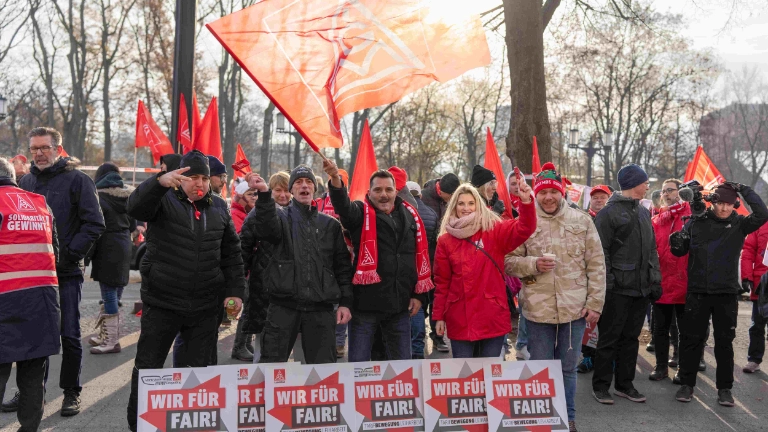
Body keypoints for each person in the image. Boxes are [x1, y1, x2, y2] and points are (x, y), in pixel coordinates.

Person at [125, 150, 245, 431]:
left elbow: (231, 254)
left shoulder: (218, 206)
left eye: (204, 177)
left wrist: (235, 292)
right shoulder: (162, 199)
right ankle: (138, 425)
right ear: (179, 177)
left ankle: (190, 425)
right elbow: (135, 208)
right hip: (162, 303)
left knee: (197, 376)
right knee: (148, 370)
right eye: (192, 177)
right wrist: (158, 183)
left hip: (205, 307)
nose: (199, 183)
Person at [505, 162, 605, 432]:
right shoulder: (525, 222)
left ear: (562, 192)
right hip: (538, 311)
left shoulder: (582, 220)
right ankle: (542, 421)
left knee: (568, 369)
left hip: (575, 311)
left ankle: (568, 419)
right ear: (535, 195)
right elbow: (509, 262)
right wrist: (533, 264)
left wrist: (595, 304)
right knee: (540, 369)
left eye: (553, 191)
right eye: (542, 192)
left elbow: (596, 265)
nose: (548, 197)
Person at [17, 127, 105, 417]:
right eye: (34, 148)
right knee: (31, 336)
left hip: (65, 273)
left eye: (44, 147)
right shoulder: (25, 182)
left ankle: (71, 392)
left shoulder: (78, 180)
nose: (39, 153)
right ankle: (30, 394)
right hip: (32, 276)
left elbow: (95, 223)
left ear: (58, 148)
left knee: (68, 334)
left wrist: (67, 256)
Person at [671, 181, 768, 406]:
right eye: (720, 204)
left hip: (725, 293)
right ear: (713, 202)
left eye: (729, 204)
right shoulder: (697, 221)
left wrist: (744, 189)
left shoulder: (740, 224)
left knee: (725, 343)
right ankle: (687, 385)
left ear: (734, 205)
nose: (724, 209)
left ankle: (725, 389)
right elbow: (680, 250)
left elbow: (762, 213)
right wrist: (677, 243)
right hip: (698, 291)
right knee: (691, 340)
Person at [245, 165, 353, 364]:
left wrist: (345, 302)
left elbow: (342, 268)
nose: (304, 186)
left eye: (309, 182)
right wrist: (264, 194)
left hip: (321, 310)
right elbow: (267, 229)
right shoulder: (279, 217)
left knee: (323, 374)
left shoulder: (330, 225)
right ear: (292, 190)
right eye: (298, 182)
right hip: (283, 307)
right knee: (271, 368)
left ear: (315, 189)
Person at [325, 161, 430, 362]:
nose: (384, 194)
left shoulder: (411, 215)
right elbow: (343, 207)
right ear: (369, 192)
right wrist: (336, 179)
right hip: (365, 308)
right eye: (378, 190)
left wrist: (419, 295)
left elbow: (415, 258)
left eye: (389, 189)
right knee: (360, 368)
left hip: (400, 308)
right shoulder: (359, 213)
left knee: (401, 370)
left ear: (396, 191)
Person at [432, 181, 535, 358]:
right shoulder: (445, 241)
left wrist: (526, 204)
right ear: (454, 206)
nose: (466, 208)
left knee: (489, 376)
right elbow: (442, 283)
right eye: (461, 203)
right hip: (459, 317)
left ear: (478, 205)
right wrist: (438, 316)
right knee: (465, 377)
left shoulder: (494, 230)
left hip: (491, 316)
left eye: (471, 203)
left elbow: (524, 228)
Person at [591, 164, 661, 406]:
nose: (648, 186)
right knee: (609, 339)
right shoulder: (608, 214)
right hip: (617, 289)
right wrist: (608, 284)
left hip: (640, 288)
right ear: (633, 184)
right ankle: (600, 386)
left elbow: (652, 249)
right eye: (645, 182)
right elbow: (601, 254)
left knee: (631, 339)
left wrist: (655, 279)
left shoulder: (643, 212)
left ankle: (624, 385)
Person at [0, 157, 61, 431]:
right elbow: (55, 250)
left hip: (4, 300)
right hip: (42, 301)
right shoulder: (40, 203)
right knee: (33, 377)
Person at [646, 179, 691, 383]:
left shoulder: (691, 216)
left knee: (684, 330)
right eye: (663, 191)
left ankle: (682, 368)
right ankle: (661, 366)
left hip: (684, 282)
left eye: (670, 190)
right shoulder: (657, 220)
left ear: (680, 192)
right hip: (662, 282)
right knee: (660, 329)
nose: (665, 194)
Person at [88, 163, 136, 355]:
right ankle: (106, 335)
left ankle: (111, 341)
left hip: (107, 245)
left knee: (108, 293)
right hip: (125, 244)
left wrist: (85, 255)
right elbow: (133, 224)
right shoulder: (127, 197)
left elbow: (95, 225)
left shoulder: (98, 197)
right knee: (115, 294)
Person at [421, 172, 459, 352]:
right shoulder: (424, 198)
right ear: (442, 192)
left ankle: (438, 337)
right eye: (451, 197)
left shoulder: (453, 198)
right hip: (426, 258)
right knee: (422, 299)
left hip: (445, 258)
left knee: (438, 298)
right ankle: (418, 337)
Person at [576, 184, 612, 374]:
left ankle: (608, 358)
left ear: (609, 198)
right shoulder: (583, 219)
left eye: (602, 197)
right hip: (586, 278)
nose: (599, 200)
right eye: (595, 197)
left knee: (609, 321)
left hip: (611, 277)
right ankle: (588, 357)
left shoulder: (613, 218)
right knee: (588, 320)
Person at [407, 180, 439, 359]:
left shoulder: (403, 211)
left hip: (407, 268)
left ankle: (411, 348)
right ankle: (419, 349)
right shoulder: (431, 213)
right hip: (427, 269)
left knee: (410, 311)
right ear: (419, 194)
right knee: (420, 308)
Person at [741, 221, 768, 374]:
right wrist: (746, 276)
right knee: (757, 325)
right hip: (762, 284)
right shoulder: (761, 222)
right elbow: (748, 250)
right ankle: (754, 359)